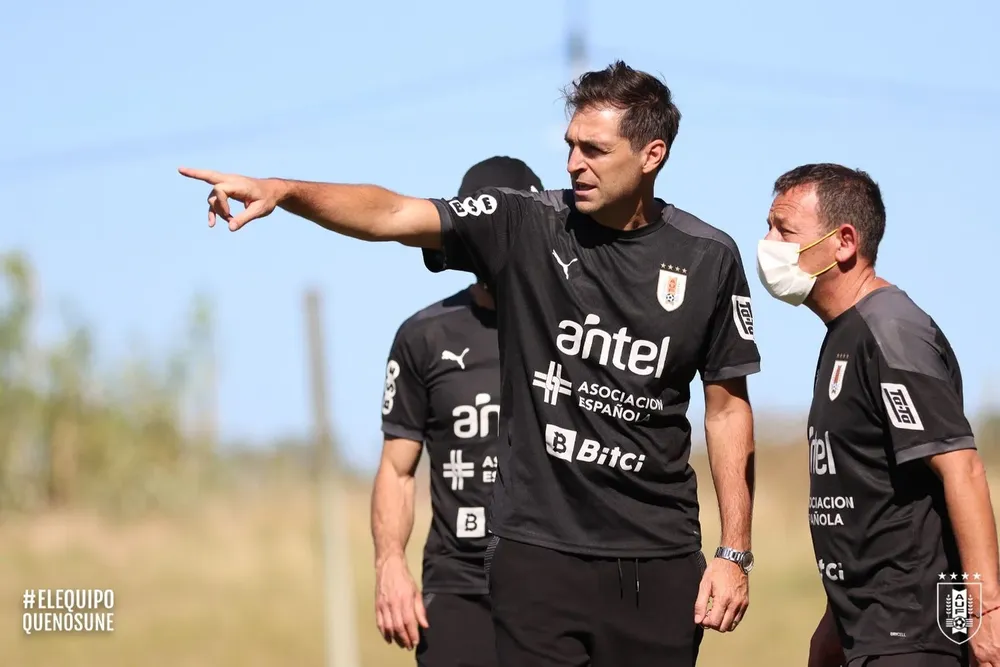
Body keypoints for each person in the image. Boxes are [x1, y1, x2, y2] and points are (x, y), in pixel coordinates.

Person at [179, 60, 760, 667]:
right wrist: (285, 192)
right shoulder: (525, 223)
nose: (573, 163)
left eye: (594, 149)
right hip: (538, 555)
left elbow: (726, 412)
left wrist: (734, 551)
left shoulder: (708, 258)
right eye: (569, 146)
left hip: (659, 560)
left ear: (651, 155)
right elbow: (392, 214)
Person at [756, 163, 1000, 667]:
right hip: (865, 629)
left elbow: (963, 470)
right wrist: (834, 623)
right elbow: (874, 493)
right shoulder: (844, 334)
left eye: (784, 230)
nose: (768, 243)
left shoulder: (892, 330)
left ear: (844, 241)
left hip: (916, 631)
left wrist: (986, 610)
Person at [370, 156, 543, 667]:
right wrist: (389, 564)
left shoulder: (571, 327)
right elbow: (397, 469)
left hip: (554, 581)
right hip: (458, 584)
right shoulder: (425, 335)